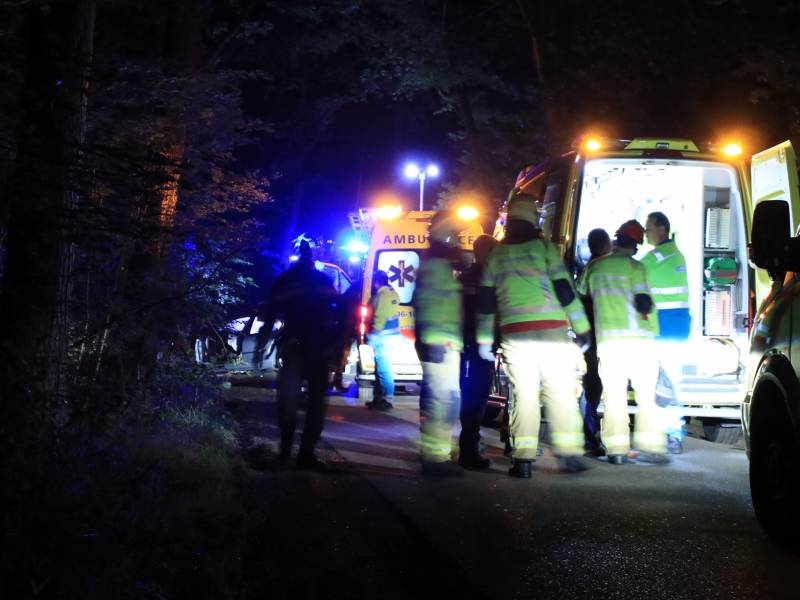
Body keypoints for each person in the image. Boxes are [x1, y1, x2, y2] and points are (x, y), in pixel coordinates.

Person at [477, 195, 591, 479]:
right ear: (533, 219)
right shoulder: (544, 249)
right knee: (559, 393)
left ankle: (524, 461)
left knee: (524, 396)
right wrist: (582, 328)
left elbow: (486, 303)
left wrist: (482, 340)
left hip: (516, 337)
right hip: (551, 332)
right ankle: (569, 455)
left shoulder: (496, 256)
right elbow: (565, 290)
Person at [578, 220, 669, 465]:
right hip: (640, 342)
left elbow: (580, 292)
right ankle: (651, 446)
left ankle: (616, 450)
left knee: (614, 396)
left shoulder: (595, 267)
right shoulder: (636, 268)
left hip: (609, 343)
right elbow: (643, 303)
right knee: (646, 396)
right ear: (637, 246)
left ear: (616, 241)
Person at [260, 240, 338, 470]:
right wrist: (336, 345)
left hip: (294, 346)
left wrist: (262, 344)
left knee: (288, 400)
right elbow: (336, 312)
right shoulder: (323, 280)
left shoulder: (284, 280)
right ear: (311, 257)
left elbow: (271, 312)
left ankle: (285, 453)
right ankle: (305, 455)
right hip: (319, 348)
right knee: (315, 404)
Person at [414, 211, 465, 476]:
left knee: (446, 401)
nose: (457, 239)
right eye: (454, 233)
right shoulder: (435, 265)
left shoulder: (437, 263)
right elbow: (429, 303)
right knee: (443, 401)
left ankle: (437, 454)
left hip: (444, 342)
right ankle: (436, 459)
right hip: (439, 343)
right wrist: (433, 341)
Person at [641, 211, 690, 454]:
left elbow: (634, 271)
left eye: (648, 228)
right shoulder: (674, 252)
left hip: (665, 327)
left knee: (666, 383)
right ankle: (671, 434)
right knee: (668, 382)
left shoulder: (658, 256)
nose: (646, 232)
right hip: (676, 326)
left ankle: (671, 434)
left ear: (662, 228)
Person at [458, 234, 499, 470]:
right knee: (477, 398)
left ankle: (470, 443)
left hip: (465, 346)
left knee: (468, 396)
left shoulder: (464, 277)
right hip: (483, 347)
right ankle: (470, 449)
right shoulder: (491, 278)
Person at [576, 228, 612, 457]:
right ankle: (589, 439)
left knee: (593, 386)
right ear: (606, 245)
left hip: (592, 336)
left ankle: (590, 439)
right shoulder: (602, 267)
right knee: (594, 388)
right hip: (605, 337)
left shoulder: (589, 269)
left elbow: (579, 298)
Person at [366, 270, 400, 410]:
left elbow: (380, 316)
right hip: (389, 335)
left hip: (382, 336)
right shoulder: (392, 292)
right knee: (380, 369)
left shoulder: (382, 295)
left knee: (384, 370)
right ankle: (378, 398)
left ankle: (387, 399)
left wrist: (374, 334)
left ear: (377, 281)